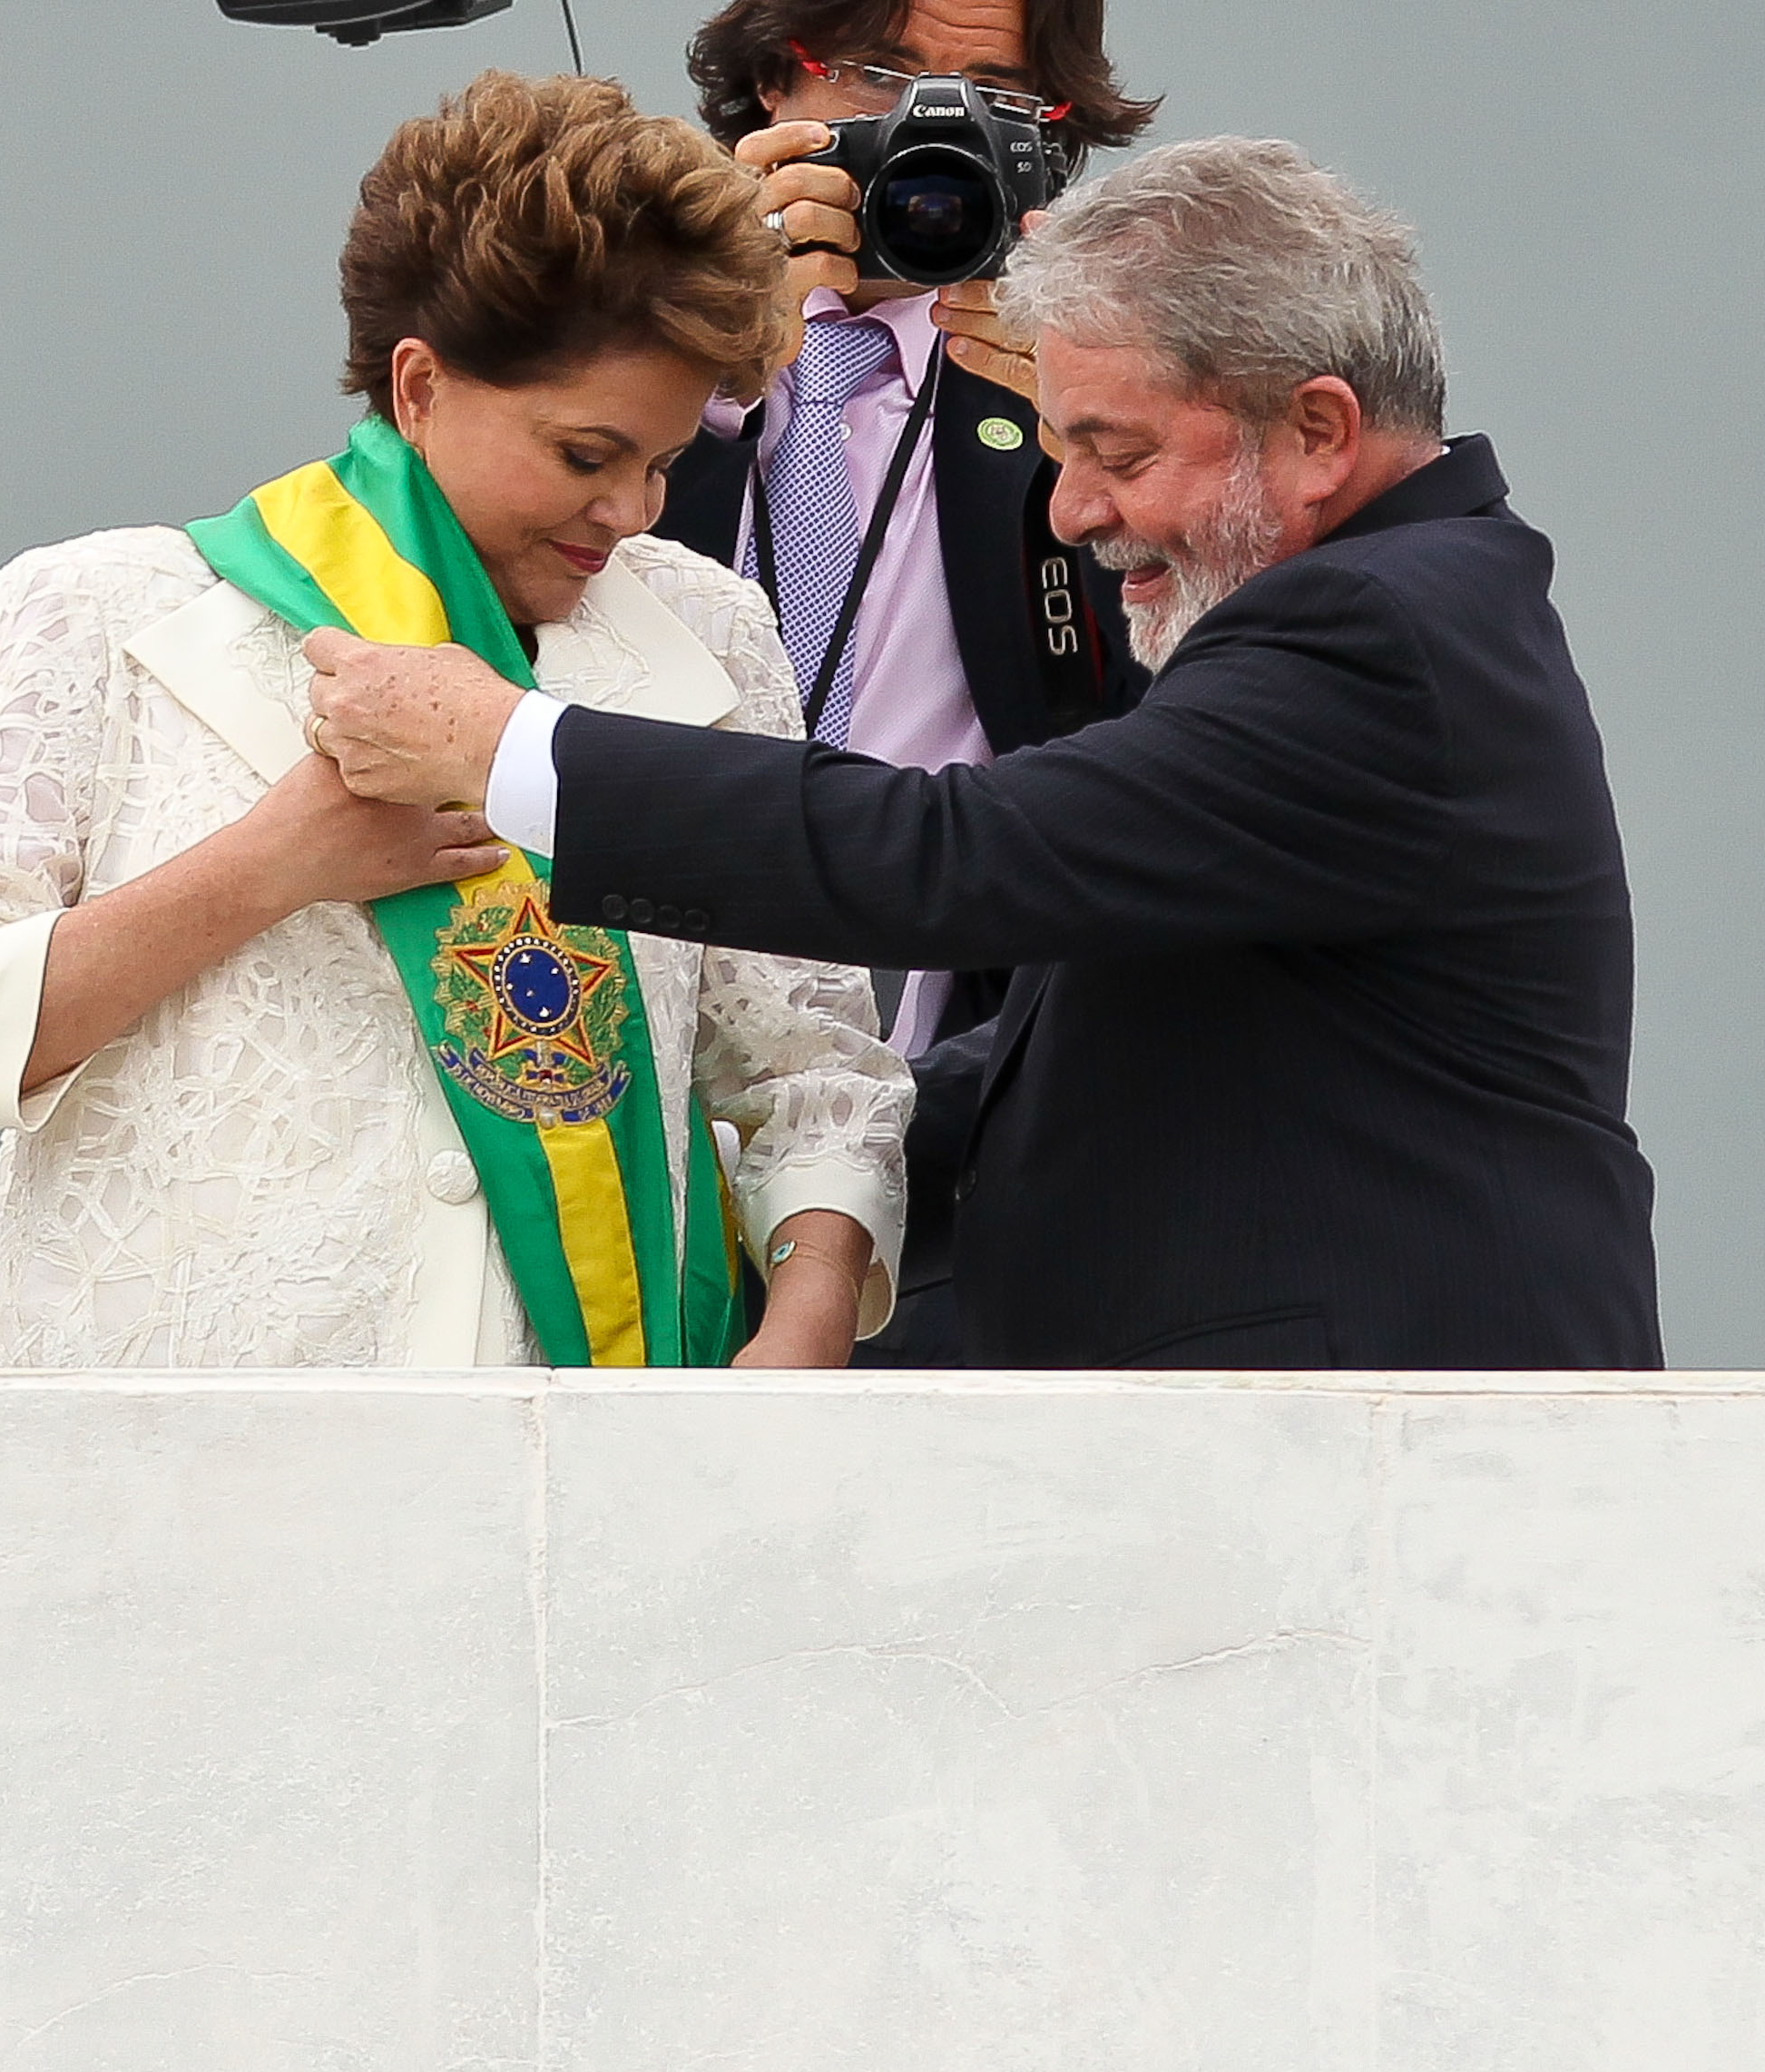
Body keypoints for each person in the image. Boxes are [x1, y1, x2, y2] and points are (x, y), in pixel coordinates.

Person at [301, 138, 1661, 1369]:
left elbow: (958, 855)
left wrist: (510, 750)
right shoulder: (1387, 615)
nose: (1068, 513)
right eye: (1059, 449)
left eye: (1111, 451)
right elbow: (1082, 1060)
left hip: (1378, 1472)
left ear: (1314, 432)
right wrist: (780, 1171)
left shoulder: (1369, 634)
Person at [0, 73, 910, 1370]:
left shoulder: (707, 634)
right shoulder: (96, 612)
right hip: (150, 1474)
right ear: (416, 385)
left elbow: (813, 1070)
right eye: (583, 455)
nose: (631, 510)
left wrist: (795, 1345)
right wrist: (275, 861)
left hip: (572, 1475)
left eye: (663, 462)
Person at [658, 0, 1160, 1364]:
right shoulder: (636, 363)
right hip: (621, 1138)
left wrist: (1100, 476)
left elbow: (1171, 759)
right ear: (774, 77)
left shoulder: (1080, 400)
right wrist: (689, 350)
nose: (919, 132)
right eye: (879, 77)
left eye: (988, 94)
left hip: (943, 1169)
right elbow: (482, 634)